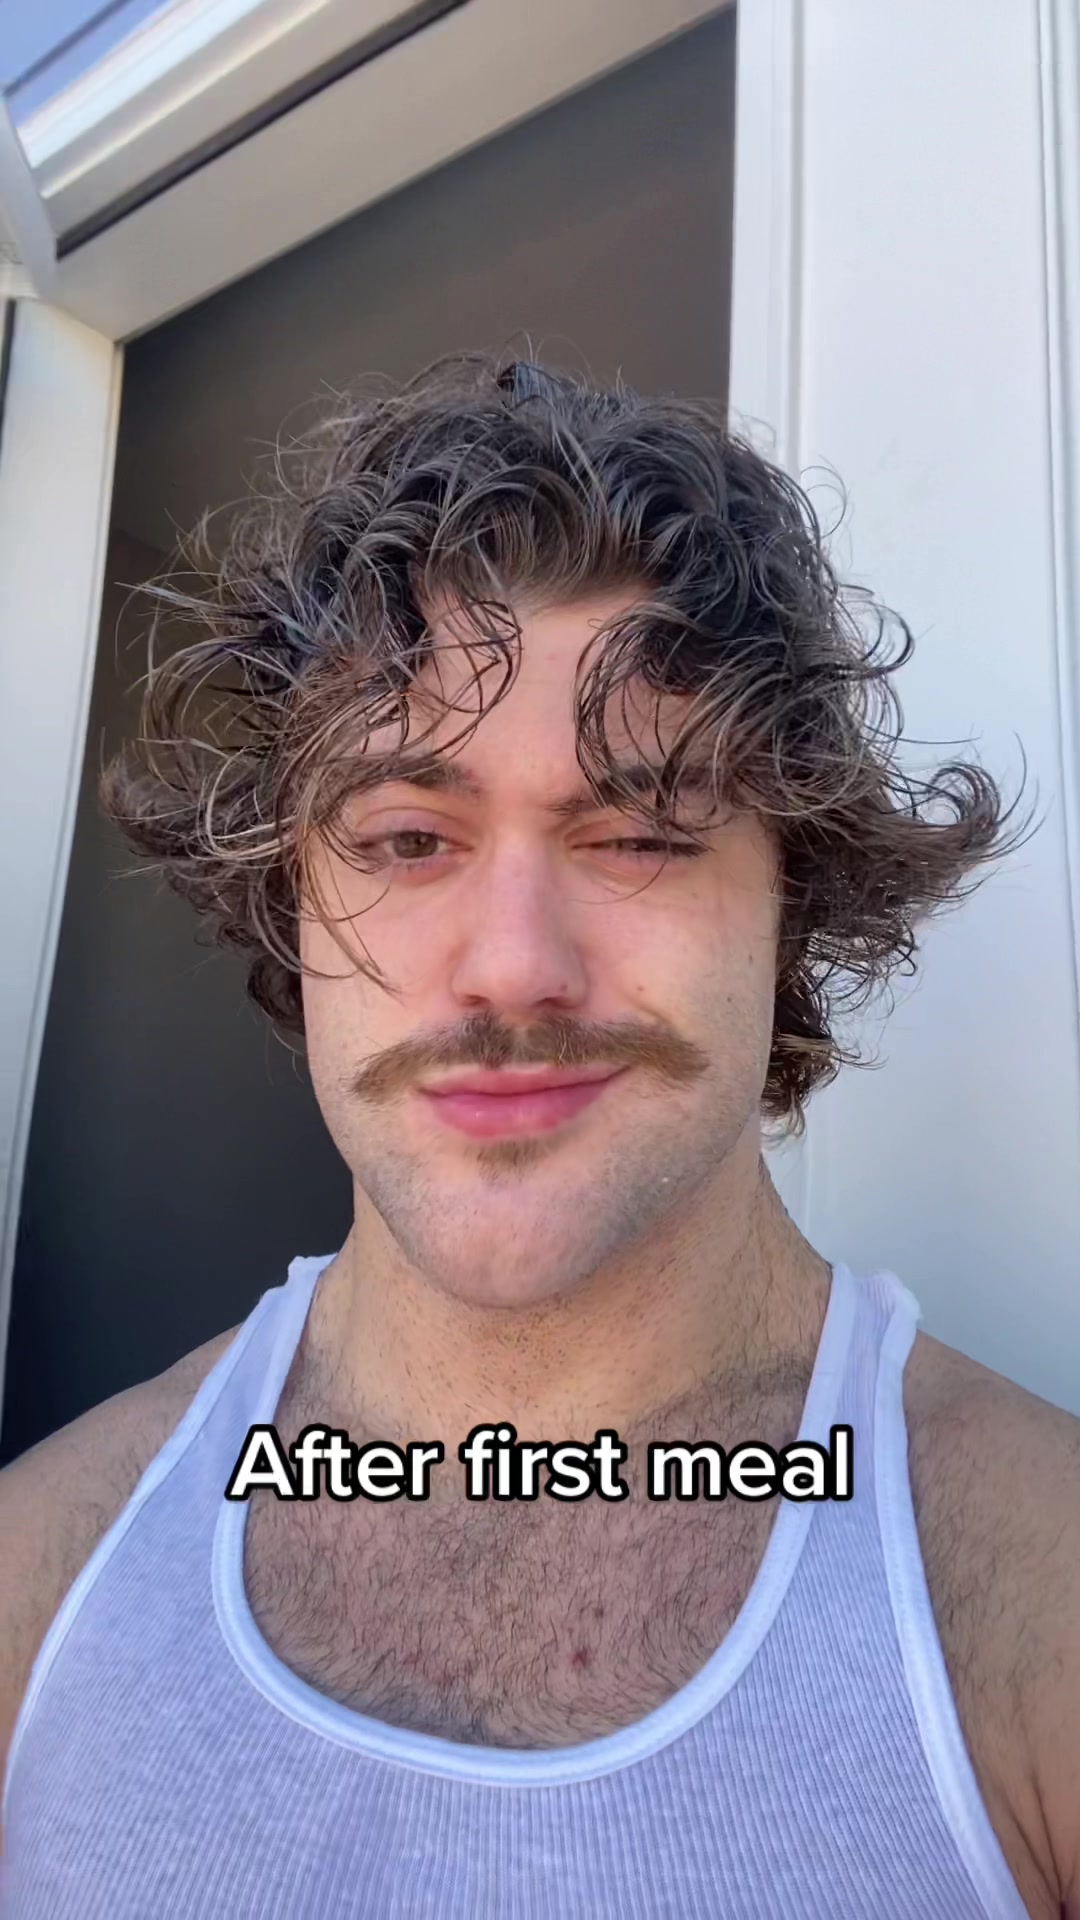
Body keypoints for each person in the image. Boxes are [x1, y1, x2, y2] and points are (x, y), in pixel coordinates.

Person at [1, 354, 1076, 1918]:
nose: (513, 964)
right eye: (406, 837)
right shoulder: (39, 1576)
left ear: (790, 911)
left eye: (638, 832)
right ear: (289, 905)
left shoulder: (1036, 1608)